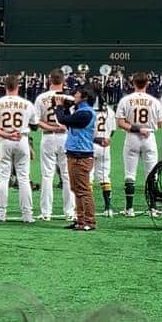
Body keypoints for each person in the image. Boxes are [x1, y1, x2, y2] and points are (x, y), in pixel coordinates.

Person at [0, 75, 40, 223]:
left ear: (5, 87)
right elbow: (35, 125)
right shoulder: (27, 104)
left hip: (5, 140)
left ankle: (0, 215)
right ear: (18, 87)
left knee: (3, 178)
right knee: (24, 178)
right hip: (22, 139)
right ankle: (27, 215)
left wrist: (7, 134)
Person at [116, 72, 162, 217]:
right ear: (147, 83)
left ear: (133, 83)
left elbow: (121, 123)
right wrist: (146, 128)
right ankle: (153, 208)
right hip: (149, 137)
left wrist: (137, 128)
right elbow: (161, 124)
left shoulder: (126, 100)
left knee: (130, 174)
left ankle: (130, 209)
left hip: (132, 137)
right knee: (152, 175)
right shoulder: (155, 101)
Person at [33, 69, 76, 223]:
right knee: (67, 175)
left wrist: (51, 127)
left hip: (48, 137)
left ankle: (46, 213)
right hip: (66, 137)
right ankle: (69, 212)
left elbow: (36, 121)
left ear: (49, 81)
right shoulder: (70, 98)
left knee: (47, 175)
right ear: (63, 81)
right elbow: (74, 119)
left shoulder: (41, 98)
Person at [55, 85, 97, 231]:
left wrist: (59, 107)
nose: (74, 95)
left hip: (81, 155)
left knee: (83, 190)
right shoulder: (82, 111)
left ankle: (89, 221)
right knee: (76, 189)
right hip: (76, 154)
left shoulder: (85, 113)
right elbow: (69, 120)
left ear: (84, 96)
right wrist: (66, 108)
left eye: (77, 93)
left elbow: (63, 120)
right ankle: (80, 220)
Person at [92, 94, 117, 216]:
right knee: (104, 177)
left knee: (88, 176)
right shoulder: (110, 112)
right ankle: (108, 208)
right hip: (105, 146)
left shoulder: (89, 112)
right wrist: (105, 139)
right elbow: (112, 131)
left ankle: (87, 207)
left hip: (90, 144)